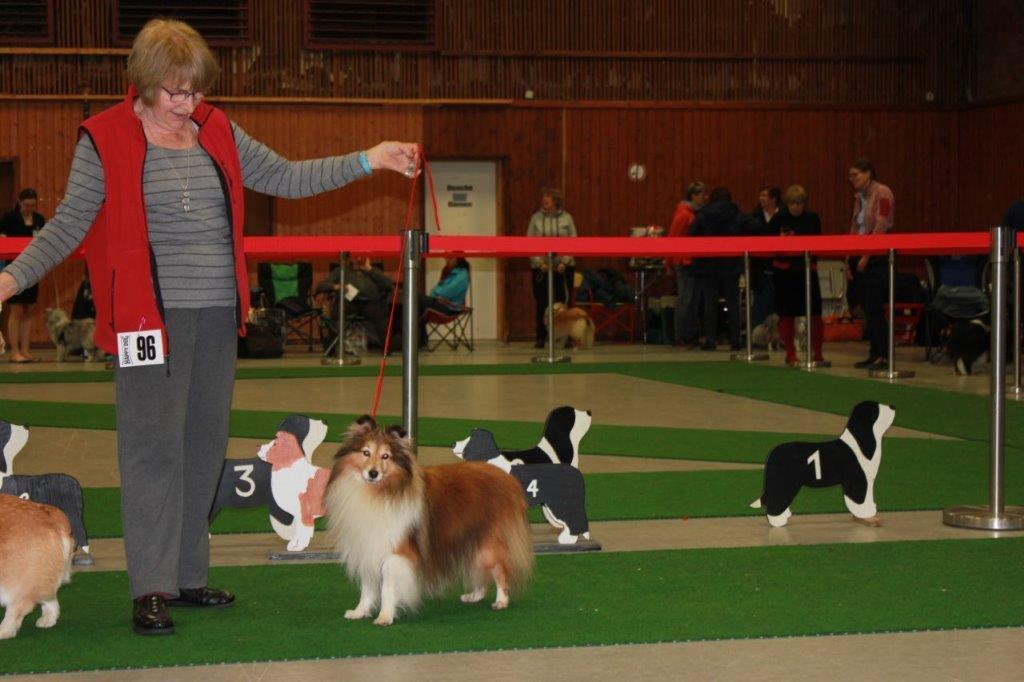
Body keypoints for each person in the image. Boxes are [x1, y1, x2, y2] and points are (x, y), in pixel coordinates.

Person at [0, 18, 419, 636]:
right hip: (146, 322)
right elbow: (67, 225)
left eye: (195, 90)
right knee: (151, 452)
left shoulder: (216, 128)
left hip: (218, 315)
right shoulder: (104, 137)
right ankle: (150, 586)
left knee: (203, 447)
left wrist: (369, 158)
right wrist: (10, 279)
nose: (187, 103)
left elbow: (286, 176)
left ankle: (187, 576)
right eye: (175, 92)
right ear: (144, 83)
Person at [689, 188, 754, 350]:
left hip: (708, 264)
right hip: (731, 264)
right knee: (733, 303)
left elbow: (692, 234)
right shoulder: (736, 212)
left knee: (710, 304)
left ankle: (711, 340)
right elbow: (753, 227)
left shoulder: (703, 214)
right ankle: (736, 340)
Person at [847, 158, 894, 369]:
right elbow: (854, 227)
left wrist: (867, 255)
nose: (852, 179)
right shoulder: (859, 197)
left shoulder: (883, 192)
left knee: (875, 307)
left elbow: (882, 224)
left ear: (868, 173)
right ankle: (874, 352)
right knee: (865, 306)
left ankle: (883, 355)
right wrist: (849, 258)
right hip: (859, 255)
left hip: (877, 257)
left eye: (855, 174)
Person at [773, 185, 825, 365]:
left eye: (800, 203)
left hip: (807, 270)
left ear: (805, 203)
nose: (796, 206)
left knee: (816, 313)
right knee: (786, 314)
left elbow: (818, 243)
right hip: (784, 272)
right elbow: (769, 243)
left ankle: (818, 352)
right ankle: (790, 353)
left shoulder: (812, 219)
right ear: (787, 203)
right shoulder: (778, 219)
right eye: (793, 203)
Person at [0, 189, 46, 362]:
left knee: (29, 310)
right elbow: (2, 240)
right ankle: (14, 352)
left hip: (33, 269)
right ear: (19, 202)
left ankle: (25, 351)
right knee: (16, 310)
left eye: (33, 205)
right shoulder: (9, 218)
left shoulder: (39, 219)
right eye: (26, 205)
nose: (29, 208)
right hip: (14, 268)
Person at [528, 188, 576, 348]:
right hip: (542, 268)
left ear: (555, 201)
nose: (544, 204)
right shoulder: (535, 218)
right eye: (543, 201)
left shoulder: (567, 218)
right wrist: (539, 263)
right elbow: (529, 243)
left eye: (547, 201)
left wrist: (565, 262)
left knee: (563, 303)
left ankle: (566, 337)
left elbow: (574, 242)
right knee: (542, 303)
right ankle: (541, 337)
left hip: (562, 268)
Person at [315, 256, 395, 349]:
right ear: (349, 259)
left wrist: (370, 270)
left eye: (360, 257)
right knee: (337, 312)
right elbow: (321, 286)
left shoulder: (373, 271)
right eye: (355, 257)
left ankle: (387, 347)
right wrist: (335, 286)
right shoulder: (340, 270)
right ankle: (331, 347)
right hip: (348, 302)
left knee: (379, 315)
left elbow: (389, 284)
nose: (358, 259)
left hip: (369, 302)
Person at [666, 180, 708, 347]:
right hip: (684, 261)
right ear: (693, 196)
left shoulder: (693, 213)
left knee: (693, 300)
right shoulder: (684, 214)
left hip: (693, 261)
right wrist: (669, 262)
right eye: (702, 194)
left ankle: (689, 334)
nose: (705, 197)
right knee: (686, 300)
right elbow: (672, 238)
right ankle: (680, 336)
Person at [747, 185, 783, 326]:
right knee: (760, 303)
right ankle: (757, 333)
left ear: (774, 199)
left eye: (764, 195)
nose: (761, 198)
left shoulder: (784, 215)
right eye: (760, 195)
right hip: (760, 266)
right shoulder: (754, 217)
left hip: (780, 264)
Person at [418, 257, 471, 345]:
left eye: (449, 258)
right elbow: (437, 292)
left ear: (457, 259)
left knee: (418, 299)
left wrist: (436, 293)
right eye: (446, 258)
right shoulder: (449, 271)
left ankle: (420, 339)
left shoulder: (462, 275)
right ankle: (420, 338)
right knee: (416, 302)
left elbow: (445, 292)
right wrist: (437, 294)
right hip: (443, 304)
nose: (446, 260)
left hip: (451, 308)